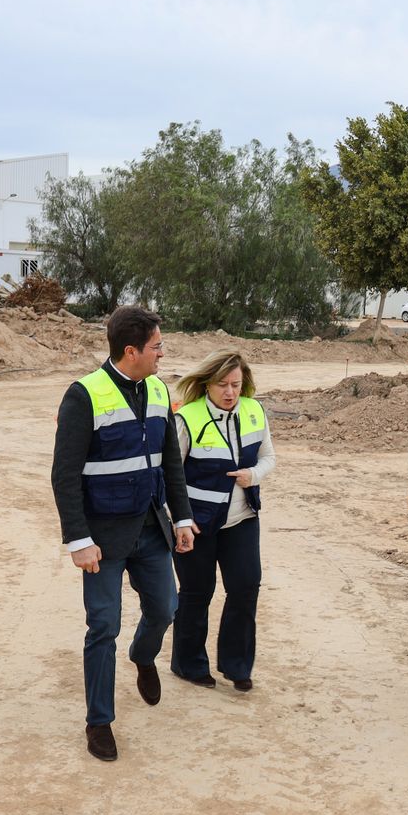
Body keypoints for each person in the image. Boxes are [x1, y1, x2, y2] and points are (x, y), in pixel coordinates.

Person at [50, 306, 195, 763]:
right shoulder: (83, 395)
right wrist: (78, 539)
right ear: (130, 351)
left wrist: (184, 518)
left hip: (152, 526)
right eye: (156, 346)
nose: (163, 353)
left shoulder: (157, 390)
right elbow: (64, 475)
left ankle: (143, 655)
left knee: (167, 607)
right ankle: (99, 722)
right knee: (103, 626)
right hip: (102, 536)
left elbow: (170, 462)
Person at [169, 350, 275, 692]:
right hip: (197, 524)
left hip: (242, 519)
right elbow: (169, 475)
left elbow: (269, 457)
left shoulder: (255, 411)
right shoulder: (187, 418)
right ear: (207, 385)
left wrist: (253, 475)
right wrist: (180, 519)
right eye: (222, 385)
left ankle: (237, 666)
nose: (230, 393)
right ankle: (188, 664)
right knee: (197, 592)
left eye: (236, 385)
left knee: (246, 588)